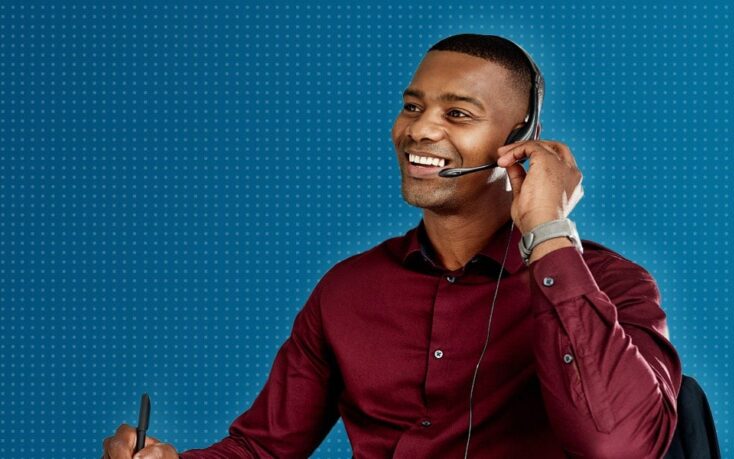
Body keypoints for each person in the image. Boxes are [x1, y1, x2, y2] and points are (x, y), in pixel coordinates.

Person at [102, 33, 682, 459]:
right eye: (412, 107)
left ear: (516, 141)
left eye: (457, 113)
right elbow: (263, 450)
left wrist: (549, 234)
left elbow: (620, 447)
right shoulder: (348, 290)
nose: (420, 130)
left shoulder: (610, 285)